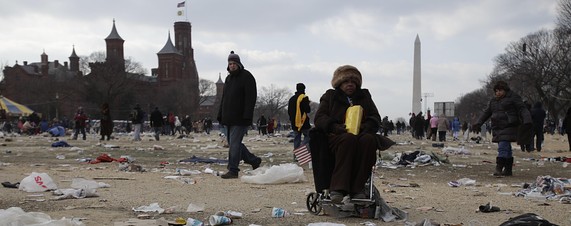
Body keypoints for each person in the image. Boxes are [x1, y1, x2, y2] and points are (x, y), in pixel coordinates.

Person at [314, 65, 381, 203]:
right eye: (346, 82)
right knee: (348, 139)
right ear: (339, 83)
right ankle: (338, 188)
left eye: (353, 82)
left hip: (361, 134)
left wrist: (365, 126)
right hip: (336, 136)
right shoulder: (330, 96)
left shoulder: (365, 96)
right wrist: (334, 126)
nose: (350, 84)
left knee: (369, 141)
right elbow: (319, 118)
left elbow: (375, 117)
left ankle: (358, 188)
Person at [217, 51, 261, 179]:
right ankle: (253, 160)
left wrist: (247, 115)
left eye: (234, 63)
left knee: (235, 144)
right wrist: (220, 114)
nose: (232, 65)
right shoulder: (228, 79)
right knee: (234, 144)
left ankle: (233, 170)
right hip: (228, 117)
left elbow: (251, 98)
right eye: (230, 63)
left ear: (239, 64)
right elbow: (224, 99)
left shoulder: (247, 77)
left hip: (240, 118)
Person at [472, 81, 531, 177]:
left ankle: (499, 167)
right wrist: (478, 123)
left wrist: (527, 119)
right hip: (497, 127)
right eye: (496, 91)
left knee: (503, 146)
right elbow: (486, 113)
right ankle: (508, 169)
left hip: (509, 125)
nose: (498, 93)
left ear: (505, 90)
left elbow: (522, 108)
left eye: (500, 90)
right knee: (506, 148)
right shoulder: (493, 101)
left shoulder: (513, 98)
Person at [288, 83, 311, 150]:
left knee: (296, 139)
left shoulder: (291, 99)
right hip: (303, 122)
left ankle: (296, 156)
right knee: (308, 136)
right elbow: (307, 110)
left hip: (294, 122)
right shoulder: (304, 98)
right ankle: (301, 150)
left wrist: (292, 119)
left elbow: (289, 111)